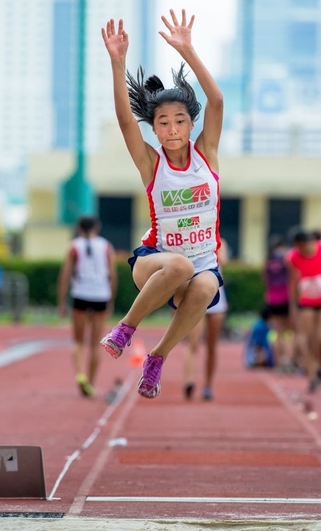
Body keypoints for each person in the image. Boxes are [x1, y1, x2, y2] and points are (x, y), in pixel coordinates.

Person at [100, 10, 224, 398]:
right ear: (154, 129)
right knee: (181, 264)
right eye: (164, 122)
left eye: (180, 121)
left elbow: (216, 100)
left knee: (205, 286)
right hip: (156, 261)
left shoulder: (207, 153)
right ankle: (126, 327)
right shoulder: (151, 163)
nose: (172, 129)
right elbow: (124, 122)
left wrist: (187, 50)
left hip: (202, 261)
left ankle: (156, 359)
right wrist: (118, 62)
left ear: (191, 124)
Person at [58, 216, 117, 397]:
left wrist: (61, 302)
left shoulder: (74, 246)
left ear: (79, 228)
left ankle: (80, 375)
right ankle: (91, 383)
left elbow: (65, 275)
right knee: (94, 344)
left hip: (80, 294)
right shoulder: (106, 246)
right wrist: (111, 301)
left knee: (77, 341)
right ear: (96, 228)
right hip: (100, 294)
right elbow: (113, 275)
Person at [286, 229, 321, 393]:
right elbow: (293, 282)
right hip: (306, 301)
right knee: (308, 340)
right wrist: (293, 307)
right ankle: (312, 376)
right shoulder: (294, 257)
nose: (303, 251)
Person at [183, 239, 229, 401]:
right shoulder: (189, 238)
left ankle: (208, 385)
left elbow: (222, 260)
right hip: (196, 298)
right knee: (193, 342)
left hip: (217, 299)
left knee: (212, 346)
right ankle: (189, 381)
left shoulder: (219, 242)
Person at [263, 235, 292, 370]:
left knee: (278, 331)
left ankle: (279, 362)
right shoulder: (286, 259)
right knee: (289, 331)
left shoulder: (268, 261)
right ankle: (287, 360)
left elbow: (265, 280)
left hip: (273, 297)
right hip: (285, 296)